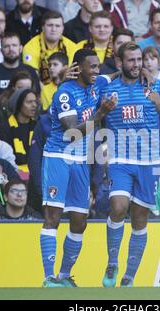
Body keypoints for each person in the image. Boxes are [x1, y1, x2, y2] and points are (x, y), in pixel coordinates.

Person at [99, 41, 160, 287]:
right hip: (120, 159)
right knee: (117, 206)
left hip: (149, 161)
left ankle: (129, 276)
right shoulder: (108, 88)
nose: (137, 65)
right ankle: (112, 261)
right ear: (119, 63)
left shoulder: (155, 86)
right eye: (131, 60)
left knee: (139, 217)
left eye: (140, 60)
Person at [40, 49, 117, 288]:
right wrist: (102, 112)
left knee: (79, 219)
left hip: (81, 161)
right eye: (91, 67)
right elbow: (73, 132)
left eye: (98, 66)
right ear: (78, 68)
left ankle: (64, 276)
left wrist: (141, 72)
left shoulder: (97, 84)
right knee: (53, 216)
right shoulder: (64, 93)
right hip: (58, 157)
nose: (96, 71)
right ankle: (48, 277)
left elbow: (114, 75)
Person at [0, 32, 40, 108]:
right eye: (6, 46)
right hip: (0, 117)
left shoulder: (30, 70)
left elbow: (37, 99)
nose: (11, 49)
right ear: (1, 51)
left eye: (14, 45)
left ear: (21, 48)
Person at [22, 10, 77, 85]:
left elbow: (72, 74)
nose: (53, 29)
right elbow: (33, 75)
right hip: (41, 90)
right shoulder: (30, 47)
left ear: (63, 28)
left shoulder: (72, 47)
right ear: (43, 27)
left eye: (57, 26)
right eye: (50, 25)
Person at [0, 88, 37, 175]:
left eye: (35, 101)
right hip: (13, 174)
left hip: (36, 173)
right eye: (29, 102)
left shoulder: (38, 126)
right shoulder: (3, 129)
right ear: (18, 104)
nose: (34, 105)